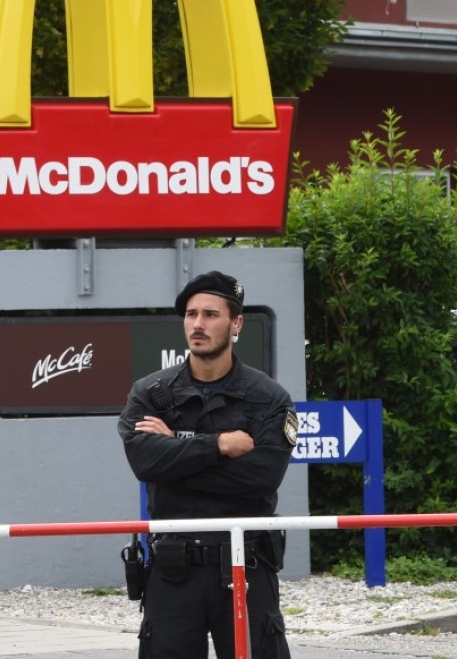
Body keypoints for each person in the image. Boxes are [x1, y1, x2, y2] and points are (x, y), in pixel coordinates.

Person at [118, 271, 297, 659]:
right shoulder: (150, 393)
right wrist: (218, 444)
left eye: (211, 314)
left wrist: (176, 454)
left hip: (247, 566)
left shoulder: (268, 398)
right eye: (191, 314)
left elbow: (260, 477)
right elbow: (145, 461)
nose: (198, 324)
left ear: (236, 324)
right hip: (173, 570)